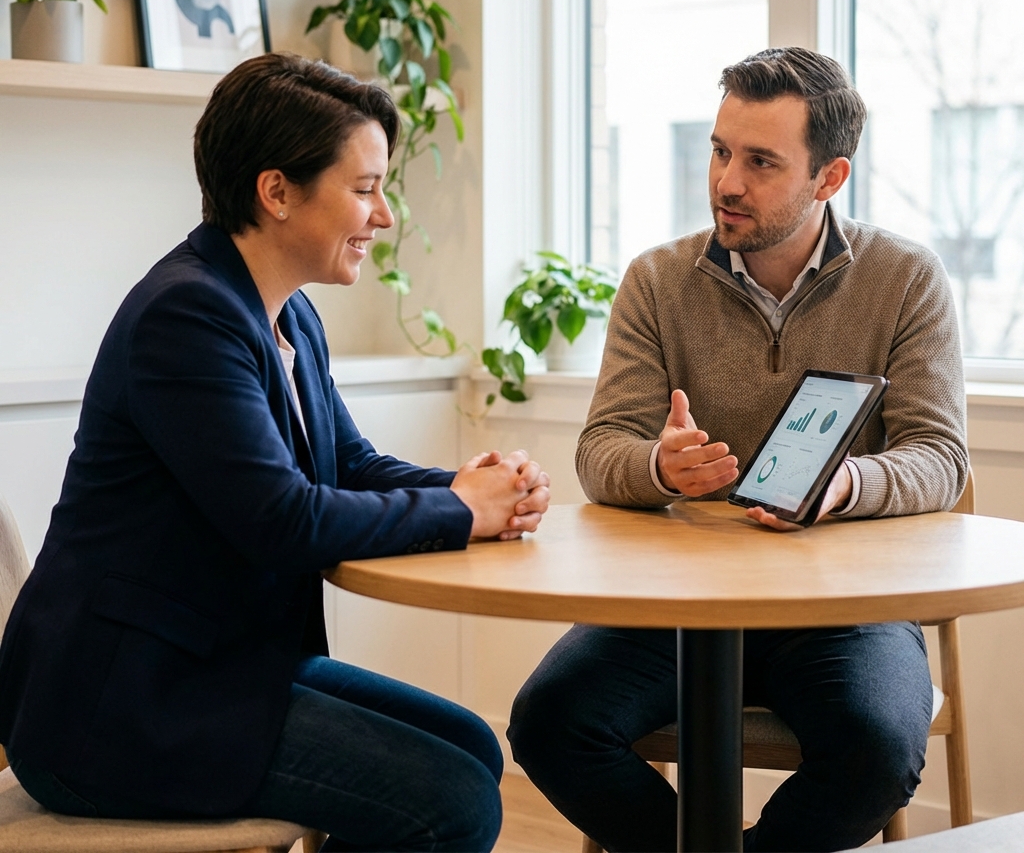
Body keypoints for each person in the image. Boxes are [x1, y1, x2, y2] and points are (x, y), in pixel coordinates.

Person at [0, 53, 551, 852]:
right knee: (454, 800)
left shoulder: (286, 313)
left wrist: (475, 487)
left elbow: (349, 466)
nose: (384, 215)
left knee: (472, 747)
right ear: (277, 192)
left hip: (216, 667)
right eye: (365, 189)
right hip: (121, 706)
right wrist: (463, 511)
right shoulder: (186, 316)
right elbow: (282, 520)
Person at [507, 47, 969, 852]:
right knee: (549, 724)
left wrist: (844, 483)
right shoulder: (657, 280)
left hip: (842, 608)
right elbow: (602, 449)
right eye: (721, 151)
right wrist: (659, 467)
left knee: (875, 749)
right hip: (675, 605)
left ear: (829, 177)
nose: (726, 181)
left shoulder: (905, 279)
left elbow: (939, 456)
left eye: (761, 162)